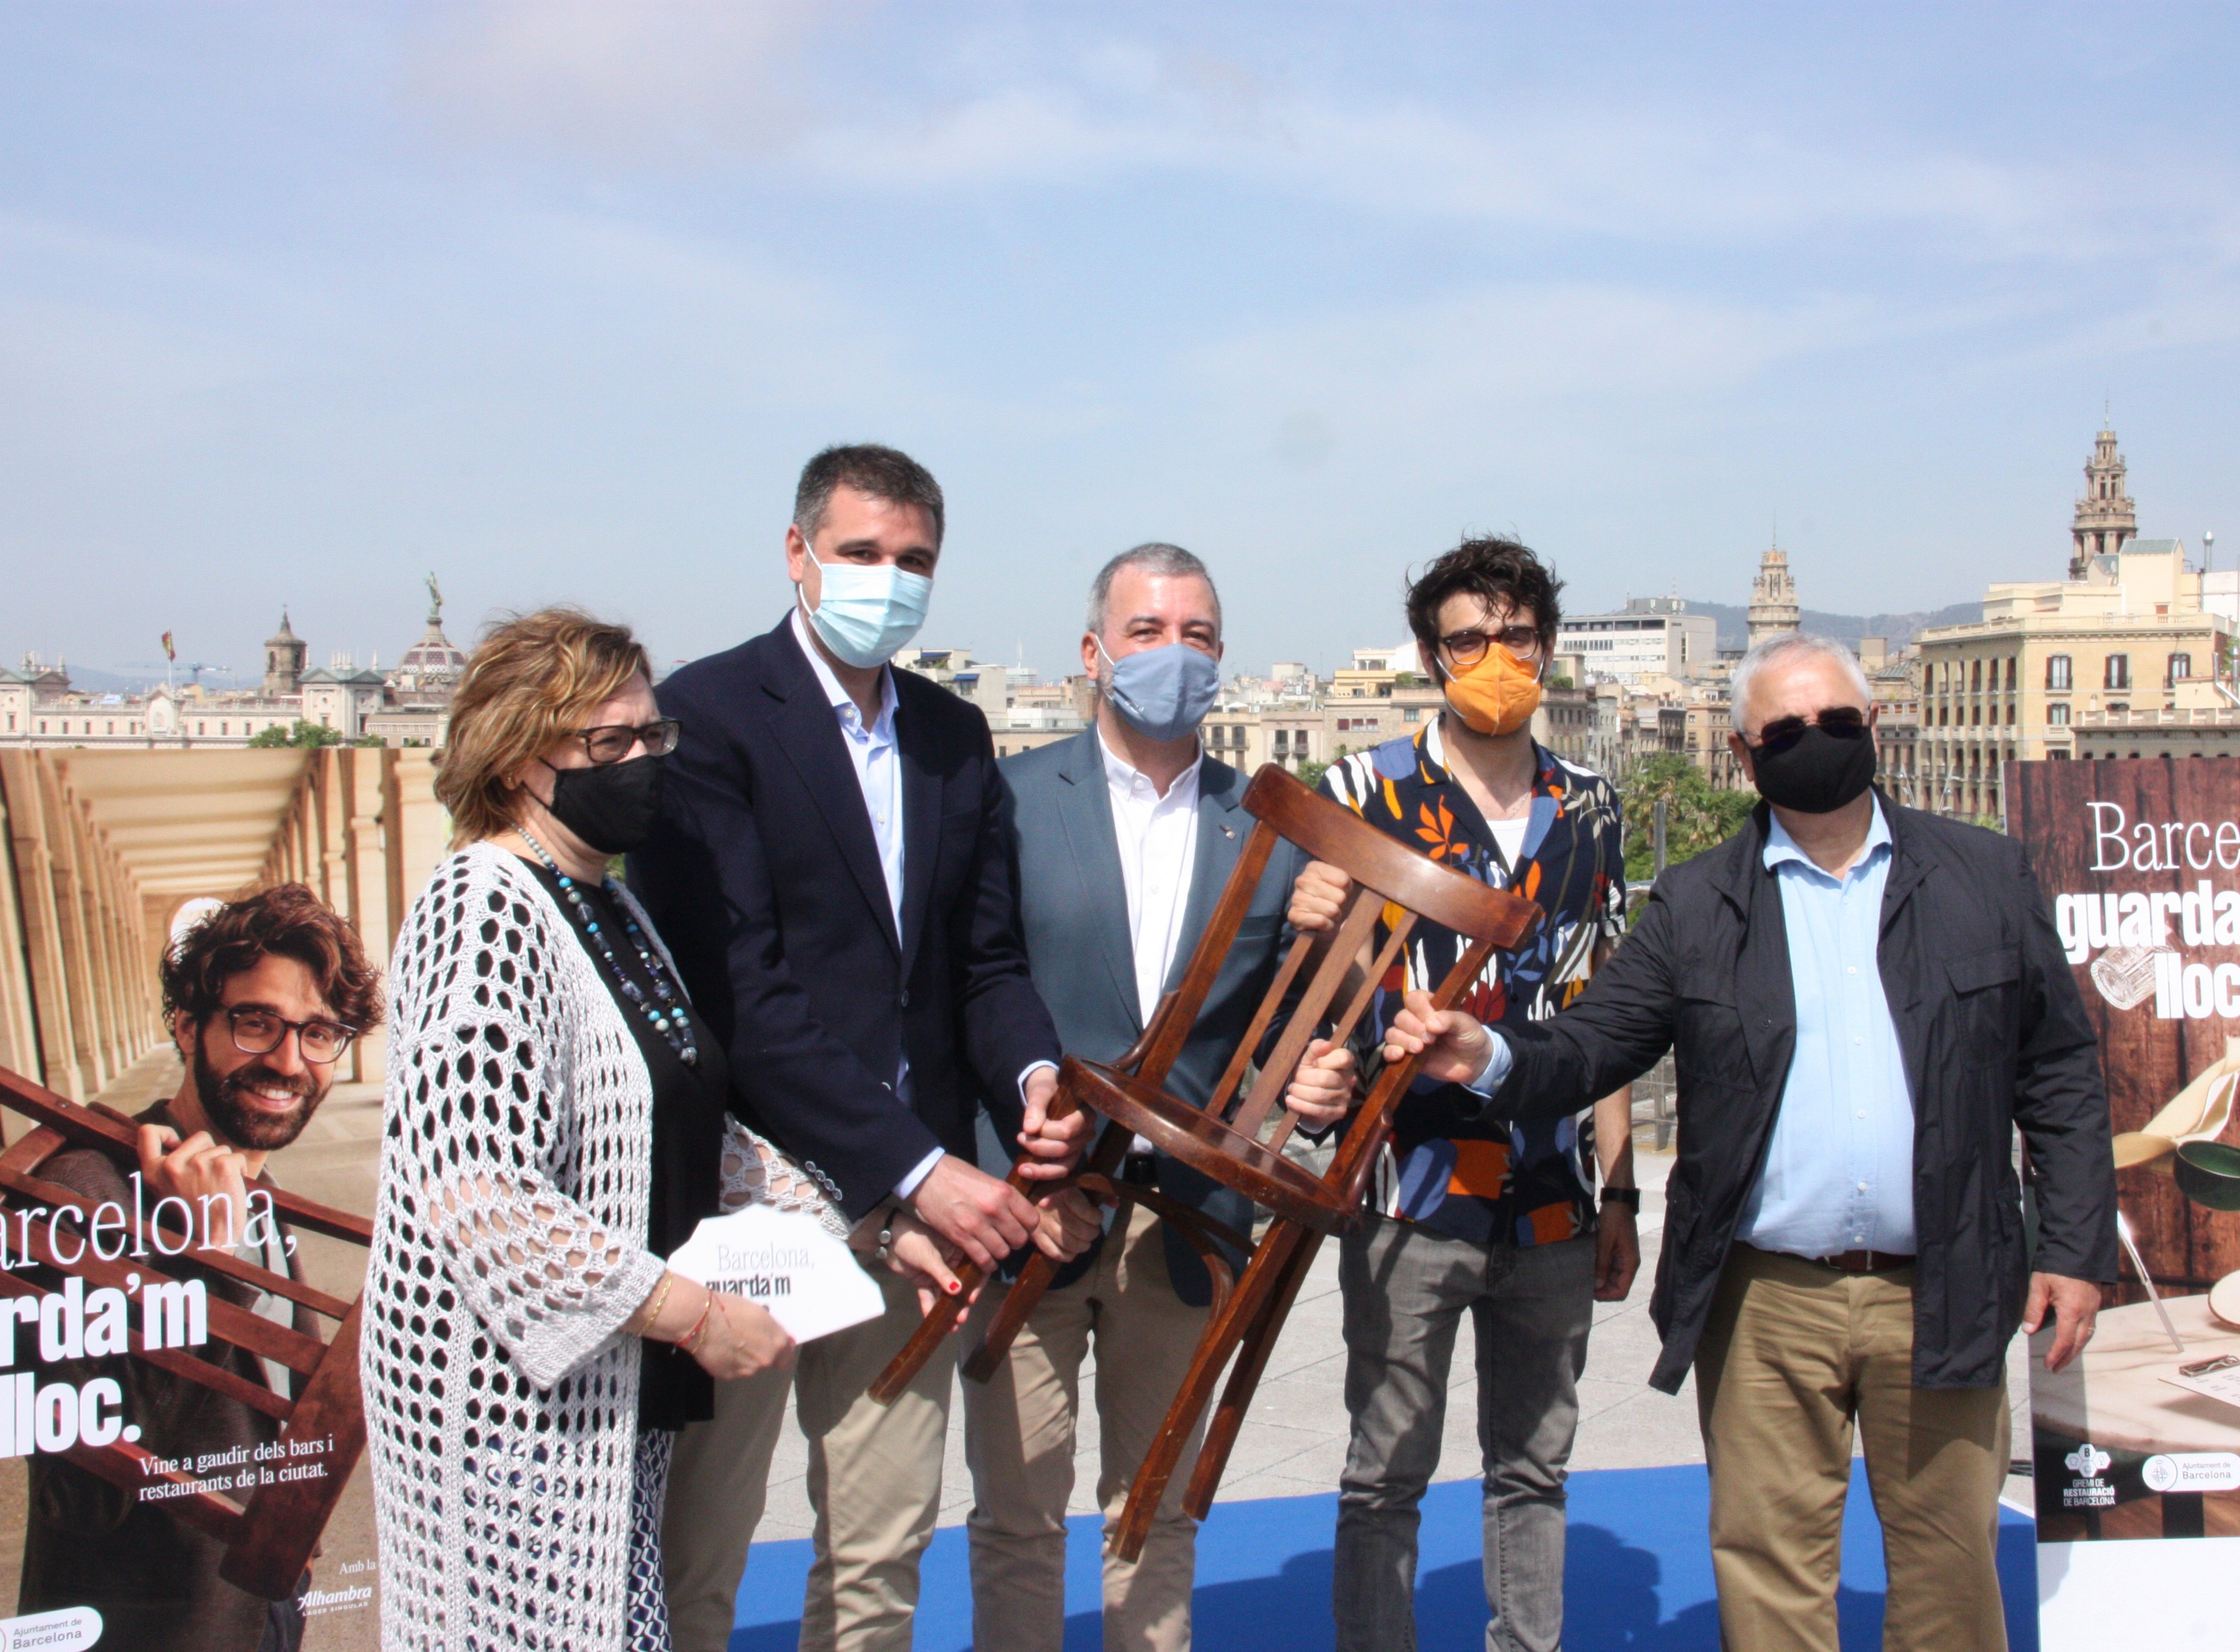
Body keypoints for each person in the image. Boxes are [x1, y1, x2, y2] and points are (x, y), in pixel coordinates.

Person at [1378, 629, 2119, 1652]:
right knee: (1769, 1580)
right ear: (1742, 753)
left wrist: (2076, 1250)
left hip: (1945, 1287)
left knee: (1951, 1576)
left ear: (1877, 727)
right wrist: (1491, 1055)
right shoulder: (1697, 902)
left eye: (1838, 723)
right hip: (1765, 1301)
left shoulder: (1984, 876)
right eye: (1786, 729)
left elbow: (2060, 1073)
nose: (1815, 741)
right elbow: (1596, 1044)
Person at [633, 443, 1087, 1652]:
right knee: (703, 1560)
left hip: (913, 1219)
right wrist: (919, 1168)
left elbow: (981, 964)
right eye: (862, 554)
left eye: (914, 561)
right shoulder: (708, 716)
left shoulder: (951, 733)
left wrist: (1035, 1075)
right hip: (754, 1204)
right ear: (798, 553)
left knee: (880, 1556)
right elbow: (739, 992)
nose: (889, 580)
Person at [362, 608, 800, 1651]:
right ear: (516, 759)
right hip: (504, 1405)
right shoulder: (484, 908)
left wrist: (841, 1220)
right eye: (611, 744)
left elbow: (677, 1117)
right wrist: (692, 1314)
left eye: (655, 737)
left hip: (606, 1386)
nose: (645, 761)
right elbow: (481, 1192)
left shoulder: (607, 902)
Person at [976, 543, 1357, 1652]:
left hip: (1190, 1221)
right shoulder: (1006, 801)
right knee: (1016, 1519)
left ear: (1222, 660)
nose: (1172, 655)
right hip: (1033, 1204)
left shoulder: (1284, 825)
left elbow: (1297, 1023)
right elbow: (971, 995)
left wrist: (1319, 1077)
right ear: (1094, 653)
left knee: (1155, 1516)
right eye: (1147, 633)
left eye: (1196, 636)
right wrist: (1013, 1166)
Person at [1288, 536, 1638, 1652]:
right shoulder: (1360, 791)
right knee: (1383, 1471)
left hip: (1551, 1195)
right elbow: (1304, 987)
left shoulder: (1593, 809)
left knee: (1533, 1467)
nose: (1496, 658)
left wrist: (1619, 1192)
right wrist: (1303, 927)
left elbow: (1610, 1016)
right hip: (1407, 1188)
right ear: (1433, 656)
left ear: (1549, 647)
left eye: (1517, 637)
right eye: (1469, 640)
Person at [19, 884, 380, 1652]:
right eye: (257, 1023)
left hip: (257, 1613)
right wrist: (204, 1266)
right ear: (187, 1027)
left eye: (319, 1033)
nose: (288, 1062)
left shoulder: (254, 1191)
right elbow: (77, 1496)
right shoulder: (82, 1190)